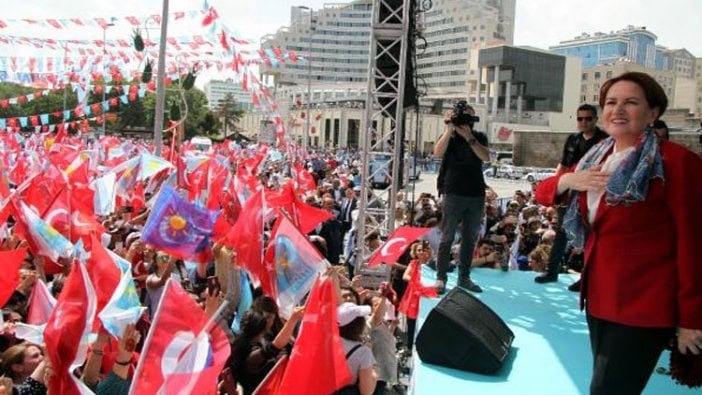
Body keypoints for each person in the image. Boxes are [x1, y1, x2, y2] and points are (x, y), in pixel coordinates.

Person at [534, 71, 702, 394]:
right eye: (611, 102)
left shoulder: (677, 162)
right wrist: (569, 181)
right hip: (599, 300)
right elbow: (543, 192)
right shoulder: (596, 157)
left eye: (631, 102)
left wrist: (692, 317)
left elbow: (693, 244)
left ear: (653, 113)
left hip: (644, 306)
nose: (618, 109)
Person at [535, 103, 608, 285]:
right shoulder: (573, 140)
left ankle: (586, 278)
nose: (583, 122)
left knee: (590, 236)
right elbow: (564, 165)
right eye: (580, 118)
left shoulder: (605, 141)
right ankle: (551, 272)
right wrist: (556, 189)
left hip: (592, 194)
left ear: (595, 120)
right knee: (561, 232)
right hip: (570, 193)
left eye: (588, 118)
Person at [432, 100, 490, 294]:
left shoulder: (479, 136)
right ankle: (441, 278)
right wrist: (449, 129)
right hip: (453, 191)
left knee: (469, 238)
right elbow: (437, 153)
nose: (465, 119)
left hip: (475, 193)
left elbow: (486, 157)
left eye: (468, 115)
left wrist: (469, 136)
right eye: (462, 115)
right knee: (447, 236)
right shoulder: (450, 136)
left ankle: (464, 277)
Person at [336, 302, 377, 395]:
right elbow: (366, 391)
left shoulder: (324, 343)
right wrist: (374, 373)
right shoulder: (363, 351)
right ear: (358, 325)